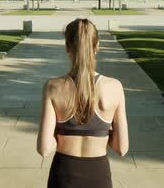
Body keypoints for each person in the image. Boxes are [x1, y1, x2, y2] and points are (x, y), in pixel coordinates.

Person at [36, 18, 129, 188]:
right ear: (97, 46)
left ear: (67, 47)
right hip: (98, 176)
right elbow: (121, 148)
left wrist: (62, 134)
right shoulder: (114, 87)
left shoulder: (53, 87)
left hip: (63, 175)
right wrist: (100, 132)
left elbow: (44, 148)